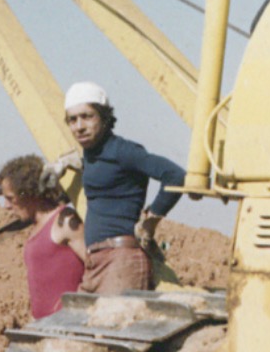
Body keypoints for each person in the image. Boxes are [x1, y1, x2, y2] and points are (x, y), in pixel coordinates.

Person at [47, 81, 185, 295]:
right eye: (72, 120)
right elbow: (104, 172)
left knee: (113, 326)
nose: (79, 126)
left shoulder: (124, 151)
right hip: (94, 262)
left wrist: (150, 220)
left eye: (87, 116)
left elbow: (175, 175)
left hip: (121, 260)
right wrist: (66, 163)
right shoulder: (93, 155)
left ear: (104, 117)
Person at [0, 155, 85, 319]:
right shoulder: (35, 230)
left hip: (69, 327)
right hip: (45, 329)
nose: (6, 206)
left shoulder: (64, 221)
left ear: (28, 193)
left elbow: (96, 268)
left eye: (10, 198)